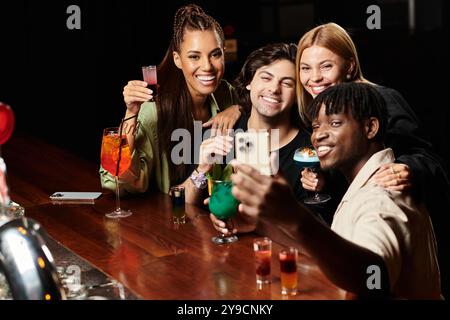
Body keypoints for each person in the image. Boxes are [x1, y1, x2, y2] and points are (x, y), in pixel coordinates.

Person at [230, 82, 441, 299]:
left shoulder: (381, 196)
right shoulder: (363, 183)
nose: (318, 135)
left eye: (335, 122)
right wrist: (260, 224)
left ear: (370, 128)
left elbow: (374, 278)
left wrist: (296, 217)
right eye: (315, 126)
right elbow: (332, 253)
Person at [296, 23, 449, 293]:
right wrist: (324, 184)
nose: (314, 77)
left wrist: (408, 168)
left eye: (326, 66)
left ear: (350, 66)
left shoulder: (381, 100)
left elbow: (428, 159)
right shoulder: (320, 108)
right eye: (305, 68)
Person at [100, 4, 241, 195]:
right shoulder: (155, 109)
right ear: (177, 59)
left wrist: (239, 108)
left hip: (216, 215)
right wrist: (131, 113)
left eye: (215, 54)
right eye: (194, 56)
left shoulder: (227, 92)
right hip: (173, 217)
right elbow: (111, 179)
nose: (207, 66)